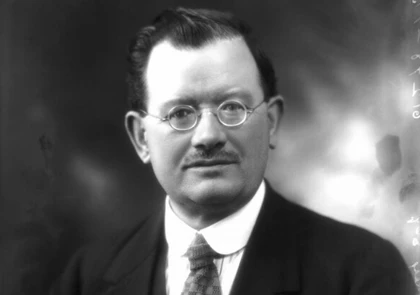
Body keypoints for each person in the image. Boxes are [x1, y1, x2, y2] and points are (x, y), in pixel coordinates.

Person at [50, 7, 417, 295]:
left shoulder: (362, 272)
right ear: (141, 137)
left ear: (271, 121)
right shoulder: (87, 278)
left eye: (232, 108)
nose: (208, 136)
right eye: (180, 114)